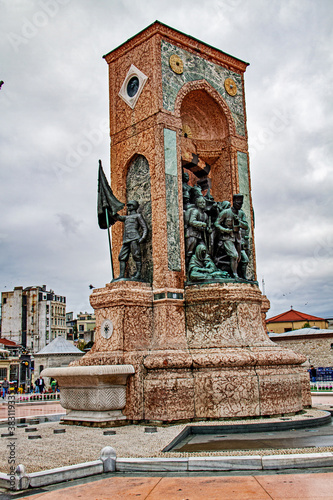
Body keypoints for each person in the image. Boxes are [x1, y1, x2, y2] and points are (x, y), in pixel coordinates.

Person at [214, 194, 249, 279]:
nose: (239, 205)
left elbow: (246, 226)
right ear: (234, 202)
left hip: (238, 239)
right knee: (234, 255)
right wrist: (225, 230)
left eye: (241, 204)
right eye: (238, 203)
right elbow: (216, 223)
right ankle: (235, 274)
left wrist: (239, 222)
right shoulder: (226, 212)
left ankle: (244, 276)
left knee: (245, 259)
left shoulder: (241, 213)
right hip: (227, 238)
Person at [115, 200, 148, 280]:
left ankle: (138, 274)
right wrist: (110, 209)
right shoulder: (126, 217)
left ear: (134, 206)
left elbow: (144, 227)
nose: (128, 207)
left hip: (134, 238)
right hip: (126, 239)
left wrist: (142, 238)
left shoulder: (138, 216)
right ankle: (121, 275)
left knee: (136, 256)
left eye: (130, 205)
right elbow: (117, 217)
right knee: (121, 257)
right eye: (128, 205)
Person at [185, 196, 210, 268]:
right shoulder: (195, 211)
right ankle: (187, 267)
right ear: (197, 204)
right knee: (189, 252)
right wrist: (202, 224)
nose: (202, 204)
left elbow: (207, 225)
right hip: (192, 234)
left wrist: (208, 229)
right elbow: (191, 221)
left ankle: (203, 266)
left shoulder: (205, 215)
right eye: (200, 202)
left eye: (204, 202)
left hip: (200, 235)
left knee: (204, 250)